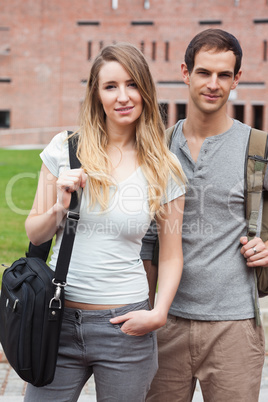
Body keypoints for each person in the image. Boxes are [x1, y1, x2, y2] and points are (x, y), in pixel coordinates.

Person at [24, 43, 186, 402]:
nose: (123, 96)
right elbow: (34, 231)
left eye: (132, 84)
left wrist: (158, 313)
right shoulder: (65, 150)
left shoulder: (164, 167)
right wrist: (58, 210)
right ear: (96, 95)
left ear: (145, 90)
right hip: (57, 319)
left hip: (126, 328)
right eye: (110, 86)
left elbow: (172, 253)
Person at [142, 29, 268, 402]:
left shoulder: (258, 147)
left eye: (224, 75)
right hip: (165, 323)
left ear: (236, 79)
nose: (213, 84)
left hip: (235, 327)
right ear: (185, 72)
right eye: (204, 72)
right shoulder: (158, 148)